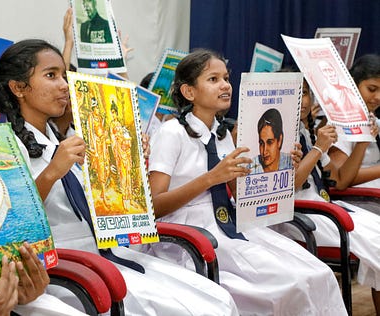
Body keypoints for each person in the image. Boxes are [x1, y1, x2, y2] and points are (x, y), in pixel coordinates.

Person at [0, 38, 239, 316]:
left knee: (215, 299)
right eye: (51, 76)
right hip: (59, 266)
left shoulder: (70, 139)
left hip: (107, 252)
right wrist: (51, 174)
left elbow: (112, 202)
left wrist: (131, 164)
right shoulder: (2, 148)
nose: (64, 84)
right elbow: (9, 226)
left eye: (64, 75)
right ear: (19, 88)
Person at [146, 48, 347, 315]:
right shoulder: (172, 133)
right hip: (190, 233)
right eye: (213, 79)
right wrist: (211, 178)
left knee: (317, 273)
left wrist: (282, 168)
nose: (225, 85)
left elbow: (242, 197)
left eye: (226, 78)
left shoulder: (222, 135)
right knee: (284, 286)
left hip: (231, 225)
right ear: (189, 92)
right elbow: (154, 206)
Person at [272, 77, 380, 315]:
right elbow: (289, 188)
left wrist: (362, 140)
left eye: (306, 93)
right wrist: (319, 148)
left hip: (324, 206)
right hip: (300, 216)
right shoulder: (273, 136)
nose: (301, 101)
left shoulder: (307, 132)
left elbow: (340, 179)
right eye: (295, 94)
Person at [328, 54, 380, 188]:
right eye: (372, 89)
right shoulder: (339, 124)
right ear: (352, 85)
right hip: (357, 200)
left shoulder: (375, 121)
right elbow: (338, 178)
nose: (378, 97)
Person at [248, 108, 292, 174]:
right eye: (261, 143)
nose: (264, 151)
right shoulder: (250, 168)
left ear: (279, 140)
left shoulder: (290, 162)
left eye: (270, 142)